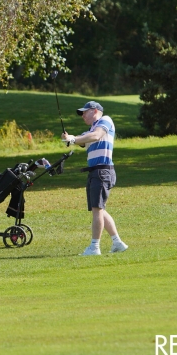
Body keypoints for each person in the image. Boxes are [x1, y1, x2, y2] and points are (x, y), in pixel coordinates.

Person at [61, 101, 128, 256]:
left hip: (102, 172)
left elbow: (96, 136)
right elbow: (82, 139)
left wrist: (73, 139)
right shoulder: (89, 131)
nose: (83, 115)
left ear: (95, 111)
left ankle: (94, 247)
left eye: (85, 112)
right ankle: (117, 242)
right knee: (99, 209)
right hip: (95, 173)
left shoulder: (105, 121)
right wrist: (70, 138)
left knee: (97, 210)